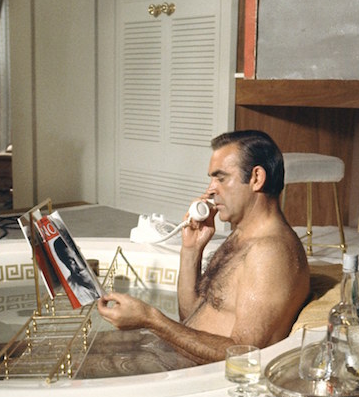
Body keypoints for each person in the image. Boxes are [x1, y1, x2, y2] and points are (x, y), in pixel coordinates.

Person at [97, 130, 310, 363]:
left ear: (256, 178)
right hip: (179, 361)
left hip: (200, 380)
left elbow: (244, 354)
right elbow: (191, 317)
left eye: (221, 178)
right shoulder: (242, 236)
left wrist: (151, 319)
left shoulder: (269, 253)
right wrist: (191, 250)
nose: (210, 190)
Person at [53, 237, 101, 305]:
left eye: (77, 257)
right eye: (71, 261)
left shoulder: (94, 280)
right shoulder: (74, 290)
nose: (77, 264)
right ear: (64, 262)